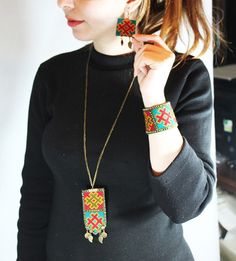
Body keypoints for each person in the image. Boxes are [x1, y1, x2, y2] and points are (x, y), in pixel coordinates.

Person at [16, 0, 216, 260]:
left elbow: (186, 205)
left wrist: (154, 97)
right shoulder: (53, 76)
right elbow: (36, 191)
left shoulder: (184, 77)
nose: (62, 3)